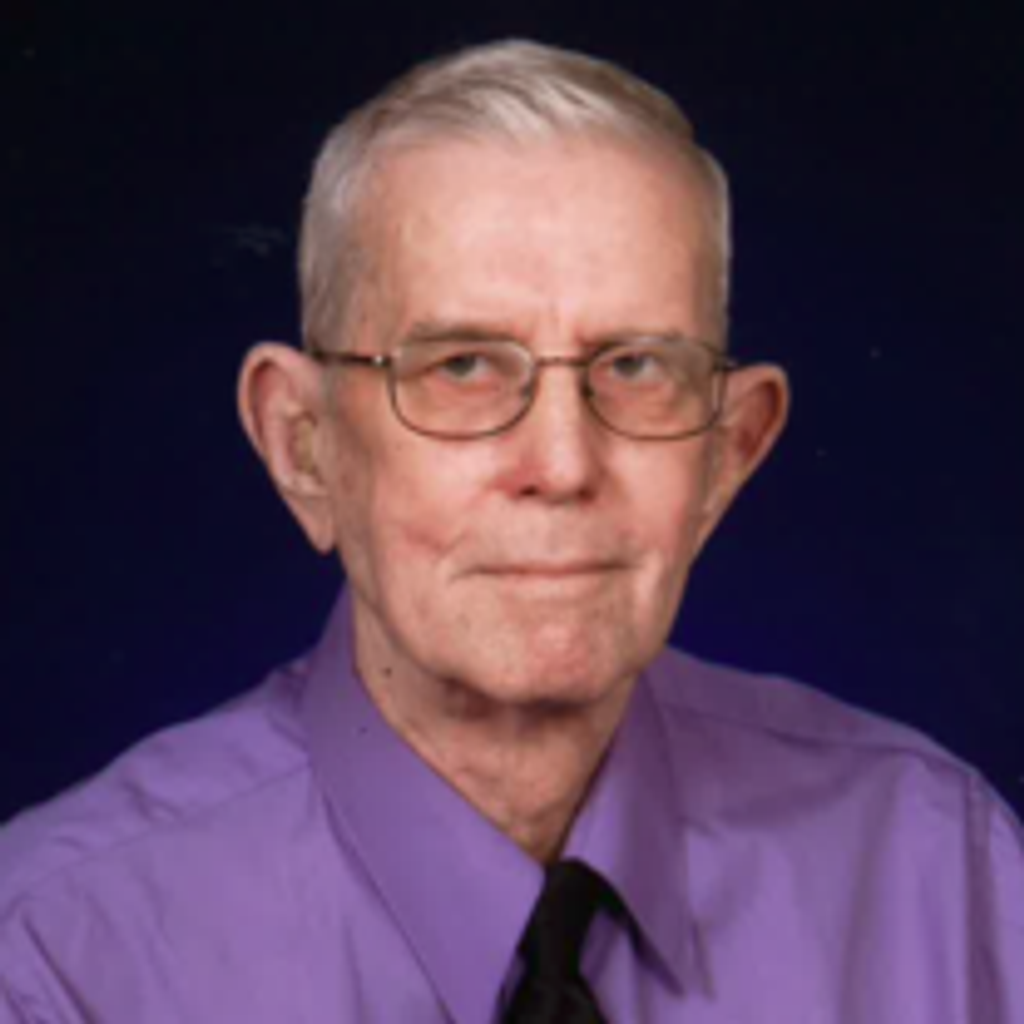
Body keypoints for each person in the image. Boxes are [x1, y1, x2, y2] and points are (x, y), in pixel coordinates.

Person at [1, 39, 1021, 1024]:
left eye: (636, 367)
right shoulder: (55, 961)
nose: (563, 465)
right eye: (462, 367)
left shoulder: (942, 873)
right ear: (304, 446)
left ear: (726, 455)